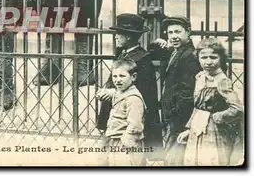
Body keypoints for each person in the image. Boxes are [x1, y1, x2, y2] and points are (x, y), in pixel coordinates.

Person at [96, 13, 162, 159]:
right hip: (117, 118)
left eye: (119, 34)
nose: (115, 37)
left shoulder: (142, 59)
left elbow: (143, 92)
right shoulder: (123, 54)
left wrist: (113, 92)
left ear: (129, 37)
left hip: (129, 120)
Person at [177, 38, 243, 166]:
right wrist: (189, 129)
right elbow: (197, 107)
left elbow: (237, 108)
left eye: (213, 57)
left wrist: (216, 117)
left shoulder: (222, 81)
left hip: (214, 132)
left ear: (221, 59)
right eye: (204, 57)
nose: (208, 62)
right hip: (197, 129)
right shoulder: (200, 77)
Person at [149, 15, 202, 166]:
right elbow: (152, 53)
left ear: (188, 32)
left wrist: (175, 115)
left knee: (175, 160)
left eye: (177, 32)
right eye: (170, 33)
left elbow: (187, 92)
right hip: (172, 116)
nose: (173, 36)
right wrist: (160, 45)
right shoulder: (176, 52)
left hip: (179, 118)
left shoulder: (189, 56)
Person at [104, 58, 147, 166]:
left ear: (133, 77)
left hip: (127, 143)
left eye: (122, 76)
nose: (118, 80)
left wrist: (126, 140)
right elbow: (116, 93)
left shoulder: (133, 98)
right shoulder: (121, 92)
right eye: (115, 76)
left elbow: (135, 124)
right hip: (115, 139)